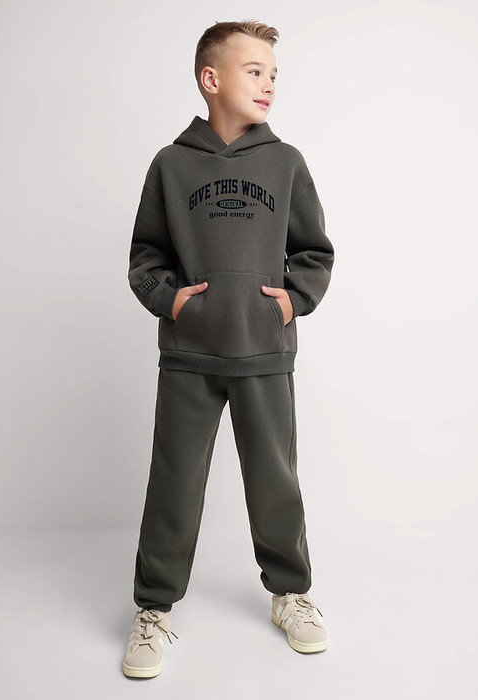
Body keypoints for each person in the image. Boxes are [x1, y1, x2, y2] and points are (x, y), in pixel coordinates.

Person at [122, 19, 335, 678]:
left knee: (275, 482)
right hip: (189, 355)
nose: (268, 84)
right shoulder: (171, 164)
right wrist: (172, 301)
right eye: (254, 71)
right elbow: (145, 255)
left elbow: (314, 251)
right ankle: (153, 608)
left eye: (273, 74)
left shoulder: (285, 162)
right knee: (173, 484)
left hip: (264, 352)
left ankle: (290, 593)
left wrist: (290, 302)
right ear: (210, 79)